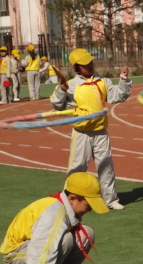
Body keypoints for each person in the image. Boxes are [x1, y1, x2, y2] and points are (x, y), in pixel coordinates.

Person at [0, 172, 109, 264]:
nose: (91, 209)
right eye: (88, 204)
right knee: (65, 239)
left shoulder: (64, 206)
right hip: (17, 258)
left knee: (86, 233)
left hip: (30, 254)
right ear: (72, 198)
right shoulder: (54, 211)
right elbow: (42, 245)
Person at [50, 49, 131, 211]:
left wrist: (123, 79)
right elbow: (56, 105)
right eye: (85, 64)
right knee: (77, 167)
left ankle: (110, 199)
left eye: (91, 62)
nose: (90, 65)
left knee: (106, 166)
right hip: (81, 133)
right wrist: (61, 90)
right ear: (76, 67)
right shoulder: (71, 86)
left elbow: (118, 97)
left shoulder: (103, 82)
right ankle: (69, 200)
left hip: (101, 131)